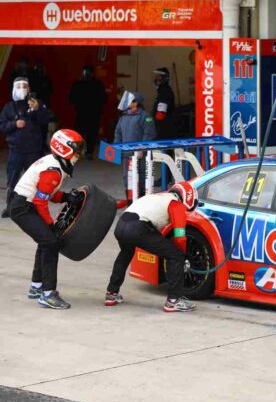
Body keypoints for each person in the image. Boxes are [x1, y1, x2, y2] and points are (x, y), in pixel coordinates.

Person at [8, 130, 86, 309]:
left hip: (24, 203)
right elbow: (40, 201)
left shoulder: (55, 162)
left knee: (45, 242)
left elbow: (48, 194)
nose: (80, 153)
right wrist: (51, 226)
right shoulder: (53, 169)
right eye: (77, 149)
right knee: (51, 242)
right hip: (23, 207)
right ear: (64, 148)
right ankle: (48, 294)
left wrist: (67, 197)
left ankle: (36, 287)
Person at [105, 181, 198, 312]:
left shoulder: (158, 197)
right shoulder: (176, 204)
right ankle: (173, 301)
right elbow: (180, 237)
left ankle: (111, 293)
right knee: (175, 255)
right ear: (189, 198)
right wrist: (182, 255)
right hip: (138, 228)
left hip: (121, 226)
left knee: (125, 254)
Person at [0, 78, 51, 218]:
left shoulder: (35, 104)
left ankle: (33, 207)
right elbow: (2, 125)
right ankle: (10, 207)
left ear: (29, 88)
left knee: (35, 181)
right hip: (16, 150)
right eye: (19, 86)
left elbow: (46, 119)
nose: (22, 88)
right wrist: (14, 124)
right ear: (13, 88)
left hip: (33, 151)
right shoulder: (9, 107)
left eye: (25, 86)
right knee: (12, 180)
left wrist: (37, 109)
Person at [114, 91, 156, 198]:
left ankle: (141, 201)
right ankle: (130, 201)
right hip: (126, 154)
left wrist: (142, 149)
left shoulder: (146, 116)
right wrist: (115, 149)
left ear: (135, 103)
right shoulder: (123, 117)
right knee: (127, 178)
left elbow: (149, 134)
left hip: (141, 155)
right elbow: (117, 133)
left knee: (141, 178)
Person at [69, 65, 107, 160]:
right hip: (86, 113)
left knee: (90, 134)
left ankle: (87, 152)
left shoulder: (96, 84)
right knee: (82, 134)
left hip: (90, 113)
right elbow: (71, 98)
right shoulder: (80, 84)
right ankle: (83, 152)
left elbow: (103, 98)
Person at [152, 67, 176, 140]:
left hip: (164, 129)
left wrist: (152, 121)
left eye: (158, 77)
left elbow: (161, 113)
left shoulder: (165, 92)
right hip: (164, 127)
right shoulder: (163, 91)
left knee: (163, 150)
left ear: (163, 78)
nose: (155, 79)